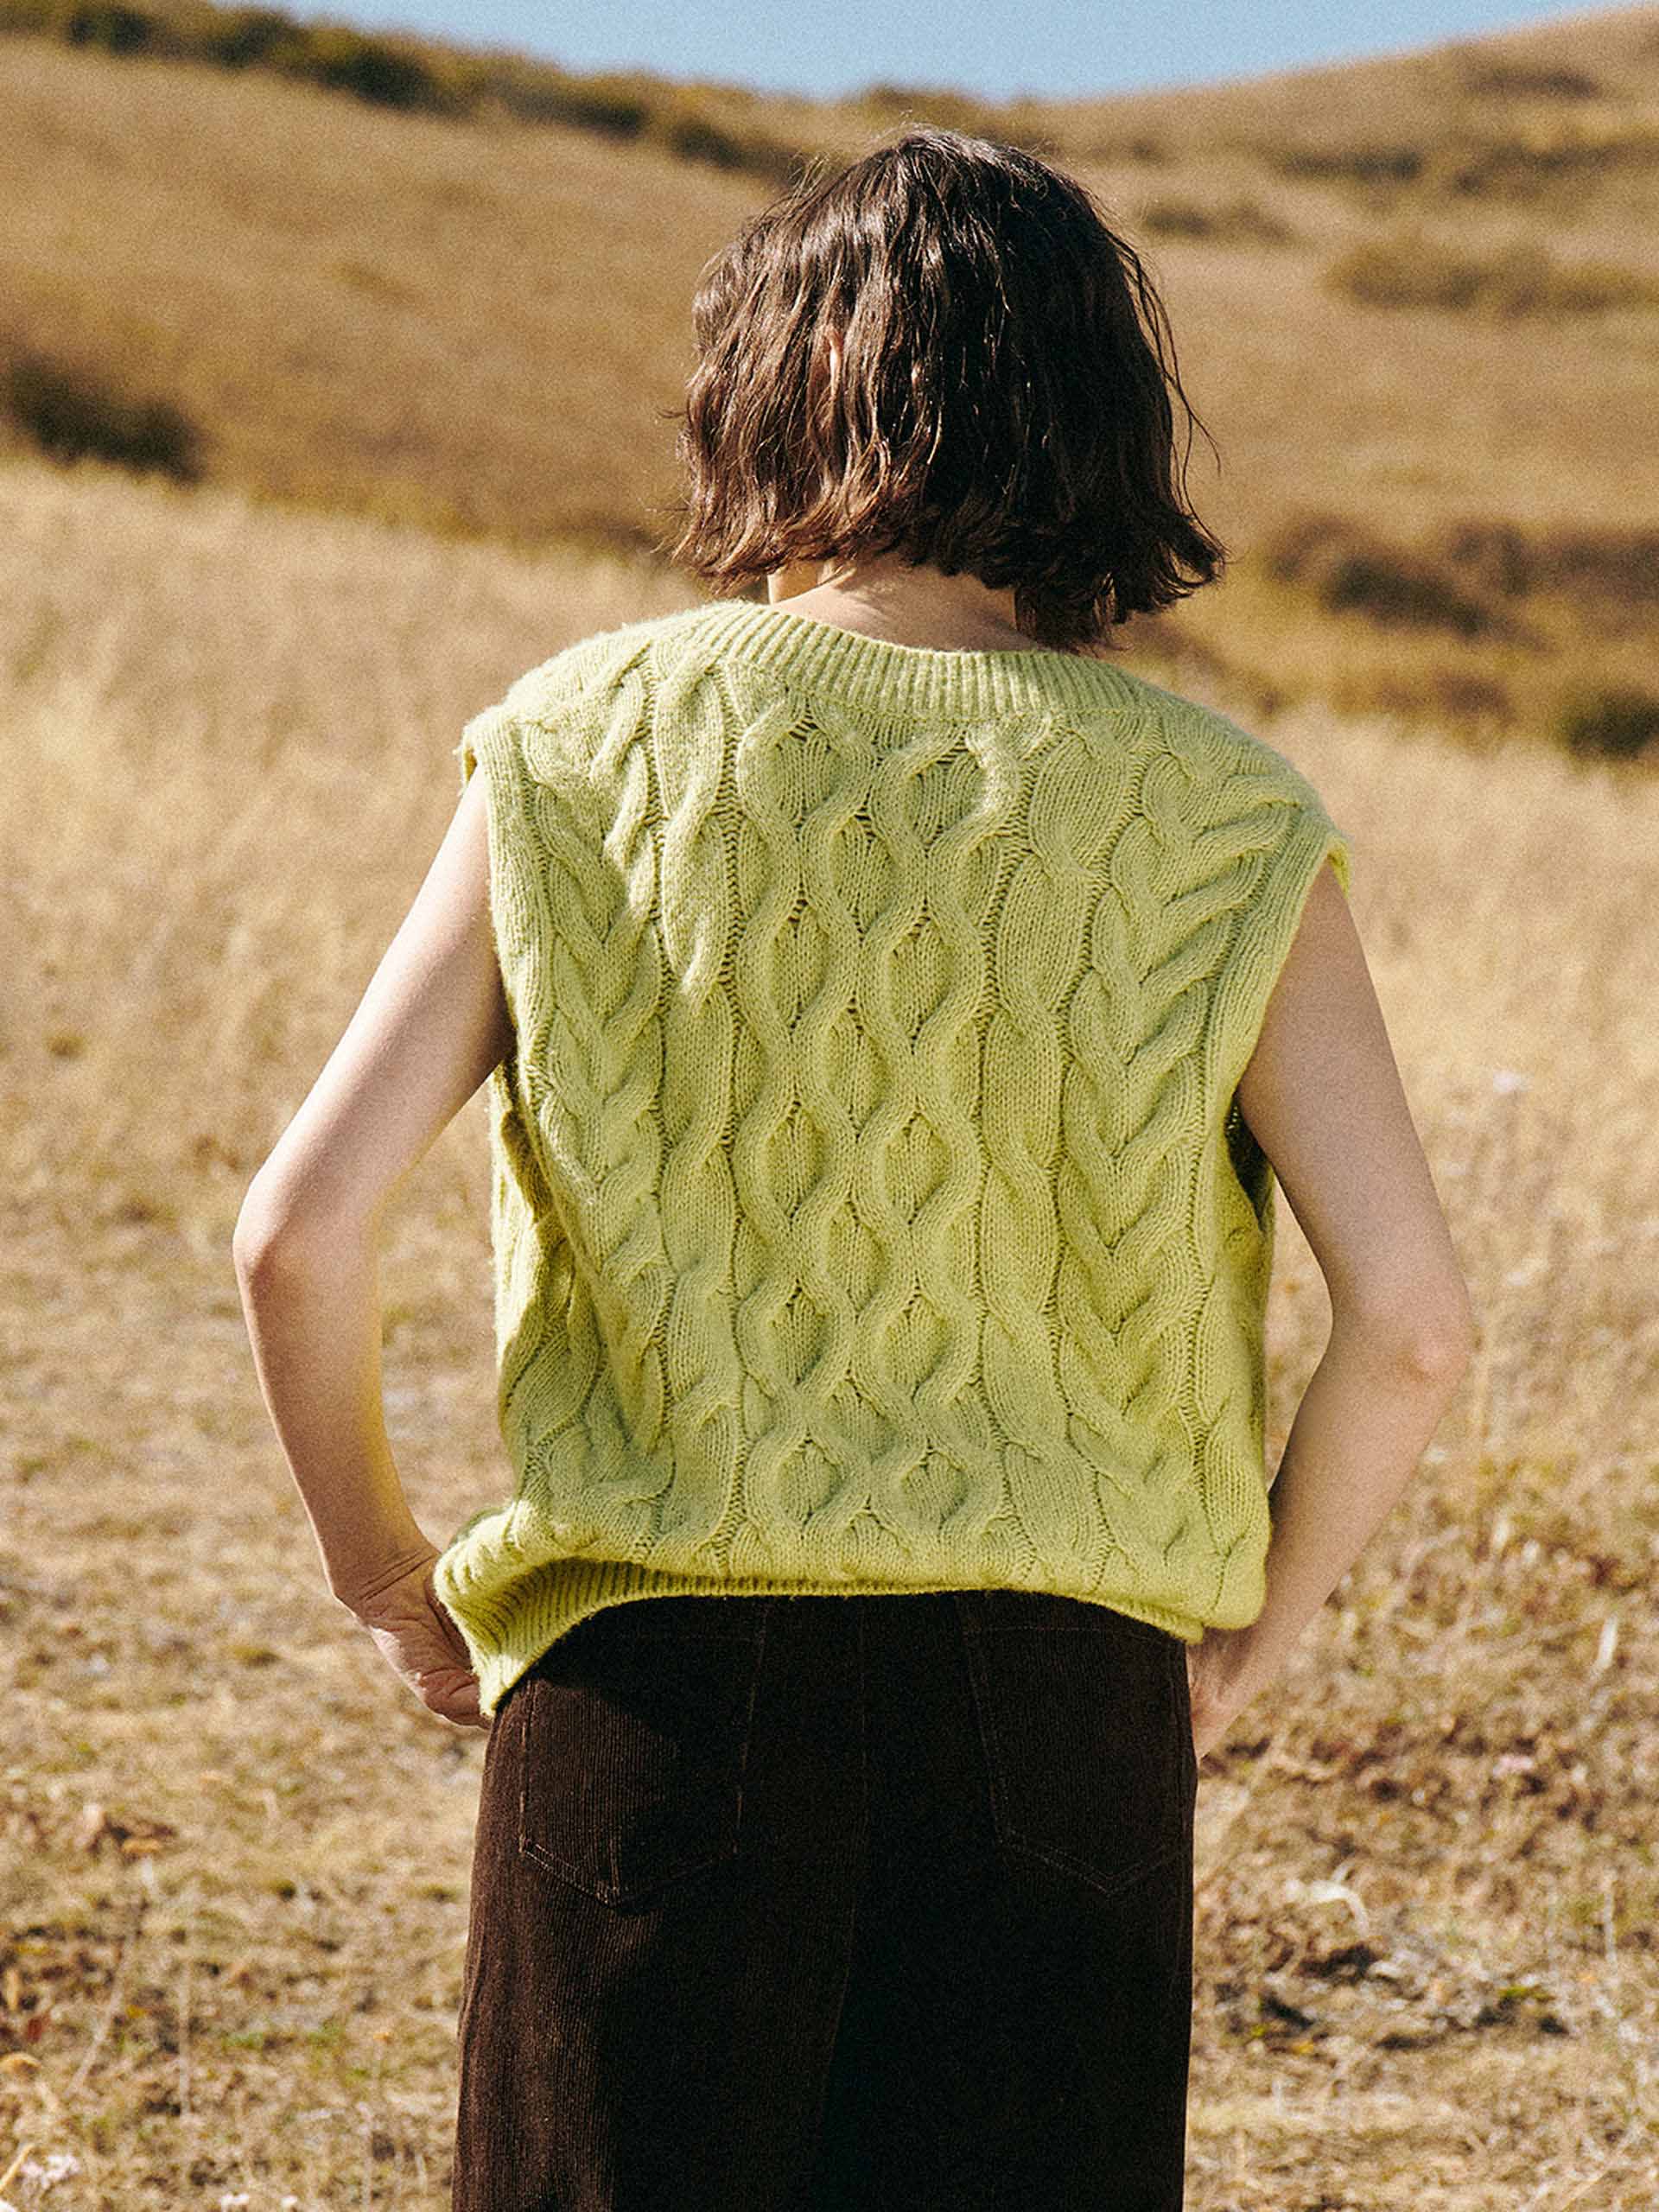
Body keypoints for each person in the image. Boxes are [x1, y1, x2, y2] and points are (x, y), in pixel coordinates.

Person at [233, 127, 1476, 2212]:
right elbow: (1416, 1324)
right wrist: (1252, 1631)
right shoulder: (1227, 817)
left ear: (762, 391)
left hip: (649, 1693)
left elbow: (295, 1233)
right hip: (1064, 1709)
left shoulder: (578, 743)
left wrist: (389, 1580)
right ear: (1101, 413)